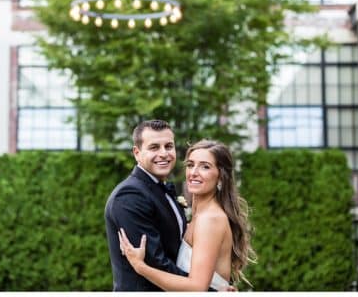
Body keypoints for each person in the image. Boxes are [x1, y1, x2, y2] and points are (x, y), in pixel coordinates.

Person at [118, 139, 255, 292]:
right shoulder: (199, 217)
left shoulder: (210, 219)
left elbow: (197, 287)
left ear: (221, 176)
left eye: (205, 167)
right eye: (190, 165)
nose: (193, 173)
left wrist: (140, 267)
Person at [104, 120, 191, 292]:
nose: (164, 153)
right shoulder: (129, 196)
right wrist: (208, 290)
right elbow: (156, 262)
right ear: (137, 153)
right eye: (154, 147)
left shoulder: (160, 189)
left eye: (168, 146)